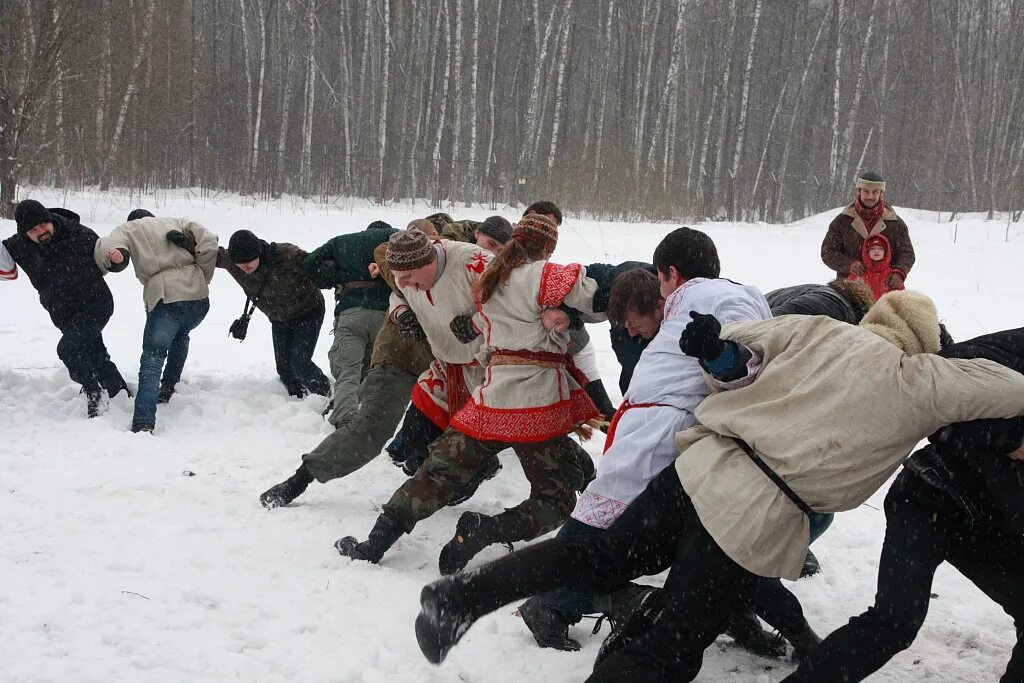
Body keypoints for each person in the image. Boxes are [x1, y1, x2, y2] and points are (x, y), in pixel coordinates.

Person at [414, 290, 1024, 682]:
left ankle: (462, 598)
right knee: (670, 646)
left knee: (595, 552)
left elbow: (735, 360)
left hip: (700, 468)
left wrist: (715, 350)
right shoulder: (926, 381)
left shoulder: (817, 330)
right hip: (752, 516)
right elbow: (1008, 387)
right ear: (926, 341)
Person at [517, 232, 784, 657]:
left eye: (661, 281)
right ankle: (551, 603)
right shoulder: (725, 295)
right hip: (664, 425)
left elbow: (745, 354)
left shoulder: (705, 296)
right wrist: (722, 358)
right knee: (622, 523)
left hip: (671, 423)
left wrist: (720, 356)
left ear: (671, 274)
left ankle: (731, 607)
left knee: (713, 527)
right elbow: (746, 356)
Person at [335, 215, 598, 573]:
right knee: (554, 496)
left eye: (412, 277)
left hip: (490, 395)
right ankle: (483, 530)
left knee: (438, 471)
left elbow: (492, 314)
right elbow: (584, 322)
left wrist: (476, 325)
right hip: (527, 405)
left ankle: (377, 543)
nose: (408, 285)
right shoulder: (540, 280)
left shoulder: (487, 271)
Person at [786, 327, 1024, 683]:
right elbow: (934, 389)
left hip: (989, 517)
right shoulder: (1009, 351)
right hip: (929, 497)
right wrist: (1008, 436)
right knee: (894, 623)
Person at [258, 218, 509, 510]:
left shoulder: (473, 264)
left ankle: (464, 474)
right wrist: (403, 314)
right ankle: (302, 478)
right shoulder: (404, 263)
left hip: (458, 364)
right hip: (402, 354)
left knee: (448, 435)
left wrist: (479, 325)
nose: (404, 282)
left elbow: (513, 302)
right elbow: (395, 287)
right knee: (371, 428)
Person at [765, 276, 876, 577]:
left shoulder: (822, 299)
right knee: (818, 506)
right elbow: (766, 328)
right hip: (756, 394)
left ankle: (778, 549)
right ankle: (765, 560)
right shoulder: (834, 308)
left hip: (760, 392)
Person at [3, 199, 129, 416]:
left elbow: (108, 254)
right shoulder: (19, 246)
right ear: (25, 233)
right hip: (62, 312)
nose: (41, 231)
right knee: (94, 353)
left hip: (95, 304)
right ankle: (120, 392)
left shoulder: (78, 233)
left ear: (49, 219)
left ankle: (93, 392)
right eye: (34, 230)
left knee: (68, 350)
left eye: (43, 224)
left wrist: (119, 259)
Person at [95, 214, 218, 433]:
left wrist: (113, 258)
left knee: (153, 357)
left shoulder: (129, 228)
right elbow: (209, 243)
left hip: (166, 297)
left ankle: (143, 421)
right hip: (199, 301)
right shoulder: (177, 221)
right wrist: (203, 277)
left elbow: (107, 248)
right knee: (181, 334)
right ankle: (169, 385)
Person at [301, 221, 397, 427]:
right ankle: (372, 416)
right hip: (384, 314)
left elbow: (309, 264)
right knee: (374, 368)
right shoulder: (395, 238)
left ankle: (344, 417)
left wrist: (333, 278)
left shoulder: (342, 243)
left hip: (351, 313)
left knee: (348, 369)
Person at [217, 229, 331, 399]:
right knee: (284, 368)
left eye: (248, 262)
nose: (245, 268)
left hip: (309, 311)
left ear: (258, 253)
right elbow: (207, 253)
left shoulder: (286, 255)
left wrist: (328, 268)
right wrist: (185, 244)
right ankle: (296, 398)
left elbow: (315, 262)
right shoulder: (232, 261)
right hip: (279, 319)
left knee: (300, 363)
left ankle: (325, 394)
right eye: (240, 265)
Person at [821, 170, 914, 288]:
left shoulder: (895, 223)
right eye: (866, 191)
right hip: (848, 289)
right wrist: (848, 265)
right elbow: (827, 251)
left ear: (881, 193)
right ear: (859, 191)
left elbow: (907, 253)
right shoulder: (842, 221)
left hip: (885, 289)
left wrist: (899, 272)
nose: (870, 196)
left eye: (875, 192)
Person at [851, 234, 904, 301]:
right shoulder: (858, 272)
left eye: (880, 249)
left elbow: (901, 298)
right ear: (867, 252)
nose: (876, 251)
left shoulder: (893, 275)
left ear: (886, 252)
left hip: (887, 310)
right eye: (872, 249)